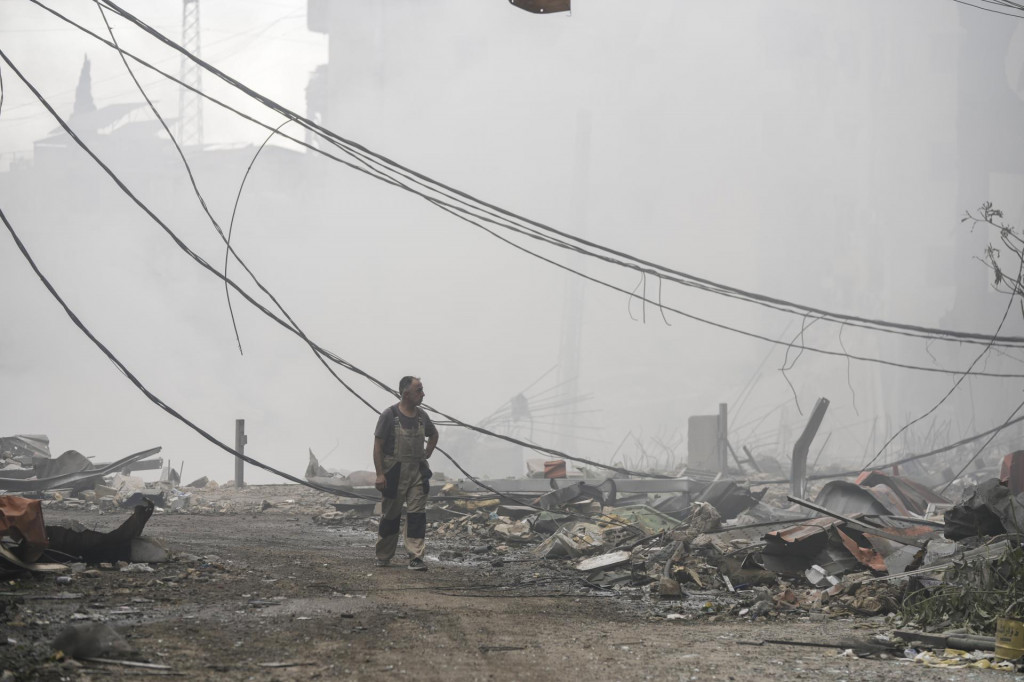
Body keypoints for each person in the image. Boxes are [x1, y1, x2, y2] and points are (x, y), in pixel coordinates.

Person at [372, 376, 438, 570]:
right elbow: (378, 446)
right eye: (419, 390)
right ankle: (384, 555)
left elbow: (433, 434)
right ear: (406, 393)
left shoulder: (421, 416)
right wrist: (380, 474)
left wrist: (428, 452)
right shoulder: (389, 415)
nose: (423, 394)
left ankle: (416, 557)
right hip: (394, 473)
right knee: (391, 515)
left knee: (417, 515)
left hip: (417, 472)